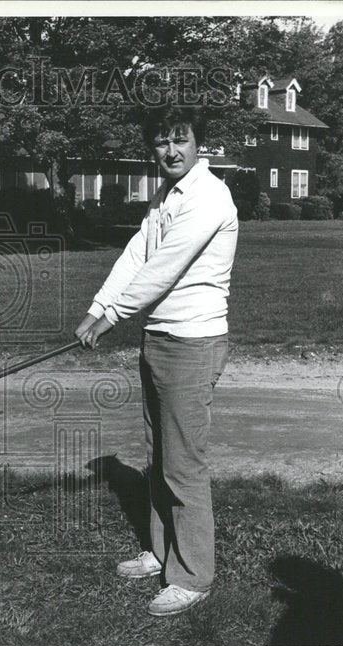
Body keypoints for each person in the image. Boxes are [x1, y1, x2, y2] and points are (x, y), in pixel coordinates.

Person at [75, 105, 238, 617]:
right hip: (160, 336)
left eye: (180, 141)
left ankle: (193, 576)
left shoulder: (210, 197)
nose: (170, 151)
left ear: (198, 145)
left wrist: (113, 317)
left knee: (184, 463)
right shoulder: (168, 194)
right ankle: (162, 552)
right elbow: (136, 254)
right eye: (161, 143)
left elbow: (163, 270)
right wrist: (98, 306)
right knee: (158, 455)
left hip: (193, 341)